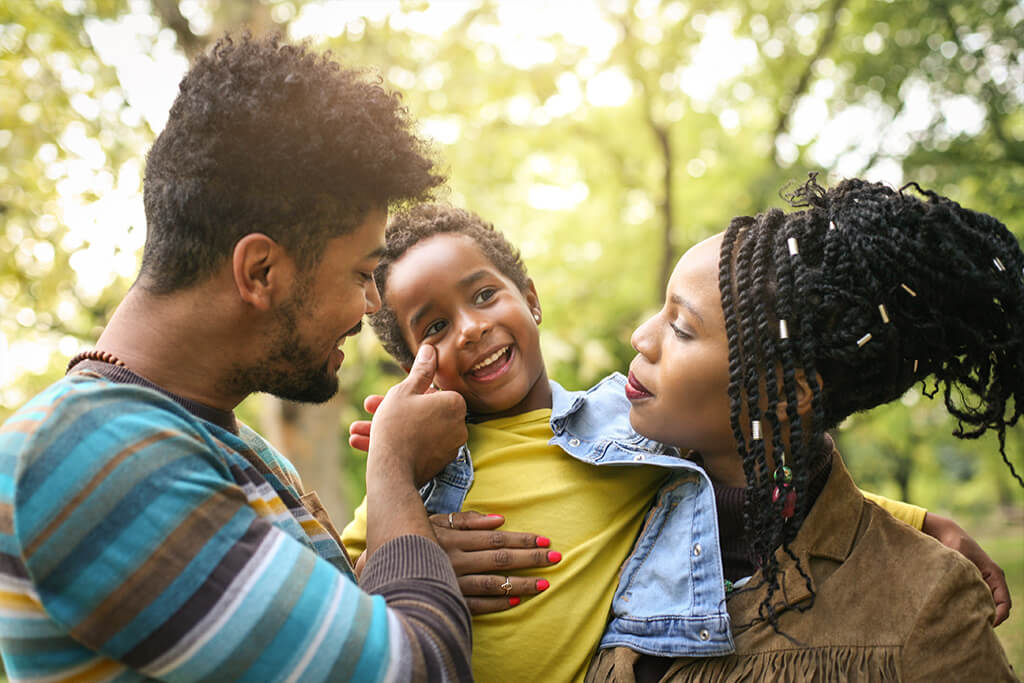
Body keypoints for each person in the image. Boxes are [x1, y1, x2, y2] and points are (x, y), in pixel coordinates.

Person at [339, 203, 1009, 682]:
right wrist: (408, 551)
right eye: (432, 328)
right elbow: (329, 587)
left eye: (484, 294)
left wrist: (917, 520)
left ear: (531, 298)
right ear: (410, 367)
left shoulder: (618, 428)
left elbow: (758, 486)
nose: (470, 328)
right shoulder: (413, 475)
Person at [0, 35, 472, 682]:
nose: (370, 305)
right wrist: (392, 469)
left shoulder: (214, 439)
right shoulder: (87, 453)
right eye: (363, 273)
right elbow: (417, 672)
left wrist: (418, 554)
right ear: (260, 269)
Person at [587, 175, 1020, 681]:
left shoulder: (928, 605)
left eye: (681, 328)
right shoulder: (607, 495)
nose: (641, 337)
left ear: (788, 393)